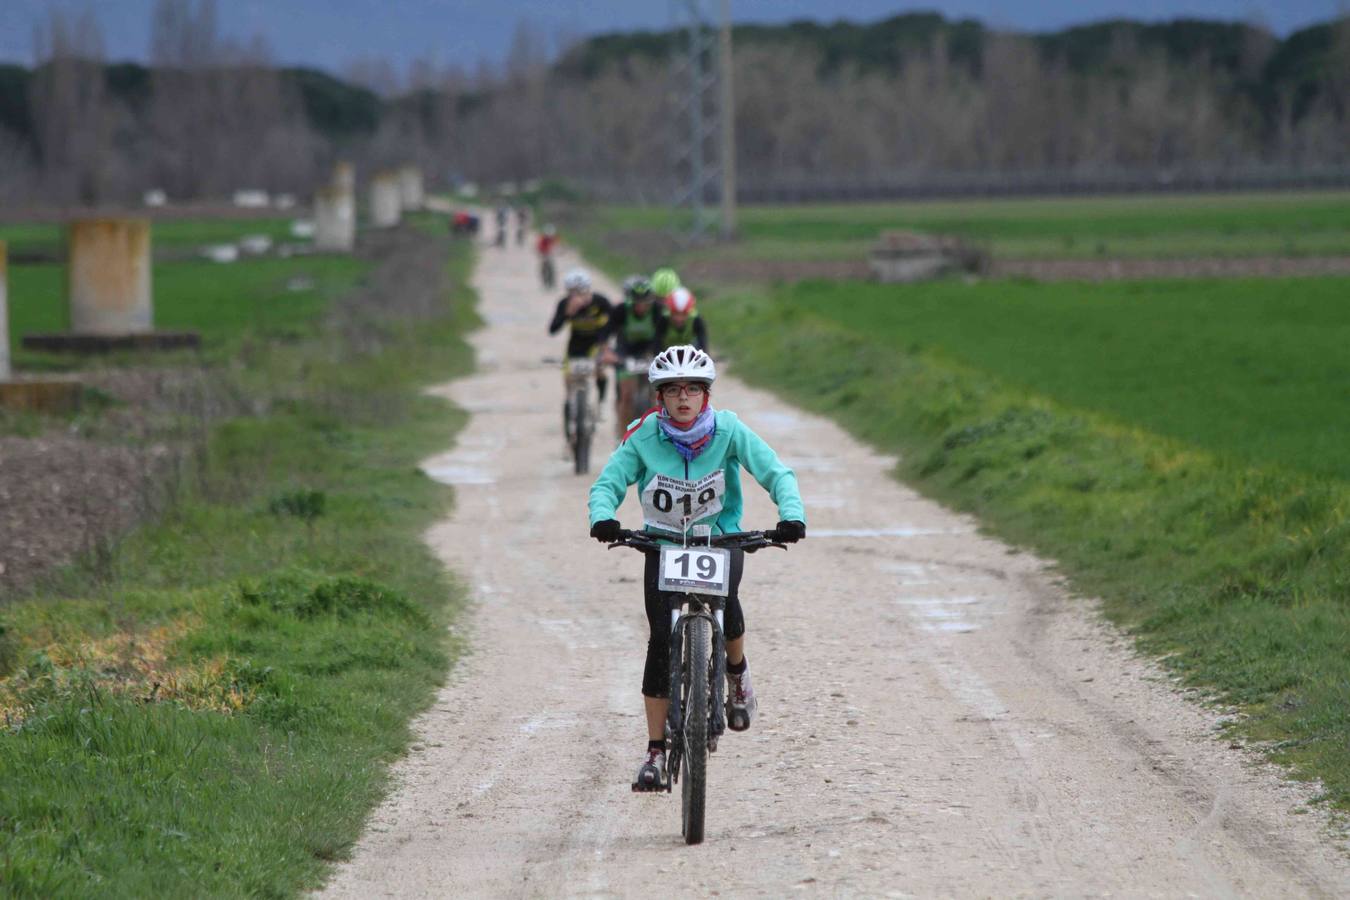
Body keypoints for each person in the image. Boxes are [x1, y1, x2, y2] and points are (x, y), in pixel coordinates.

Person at [587, 345, 807, 789]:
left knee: (730, 602)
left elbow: (775, 472)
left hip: (720, 538)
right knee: (660, 643)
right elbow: (608, 481)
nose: (683, 398)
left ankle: (737, 674)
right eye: (672, 390)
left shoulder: (728, 430)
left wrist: (791, 515)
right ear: (659, 398)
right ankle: (653, 752)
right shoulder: (644, 435)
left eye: (692, 389)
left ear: (706, 395)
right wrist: (602, 517)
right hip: (663, 544)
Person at [548, 268, 613, 431]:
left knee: (600, 370)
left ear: (588, 290)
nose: (576, 297)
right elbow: (553, 329)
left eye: (580, 292)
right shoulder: (565, 304)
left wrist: (606, 346)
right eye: (572, 293)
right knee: (569, 380)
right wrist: (568, 313)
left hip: (596, 343)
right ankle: (571, 412)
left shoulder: (600, 302)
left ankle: (601, 402)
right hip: (575, 345)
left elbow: (614, 321)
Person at [603, 276, 666, 439]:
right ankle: (623, 437)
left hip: (650, 354)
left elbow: (665, 334)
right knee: (627, 395)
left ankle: (659, 432)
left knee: (658, 395)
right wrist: (607, 352)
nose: (641, 306)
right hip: (625, 355)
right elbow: (605, 333)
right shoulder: (621, 310)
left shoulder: (658, 311)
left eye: (644, 302)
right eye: (636, 302)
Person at [655, 286, 708, 351]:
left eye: (683, 314)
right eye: (675, 313)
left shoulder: (696, 320)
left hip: (691, 357)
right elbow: (657, 345)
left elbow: (703, 346)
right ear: (670, 311)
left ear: (688, 312)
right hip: (667, 357)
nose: (679, 318)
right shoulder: (664, 320)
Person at [537, 225, 559, 289]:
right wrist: (542, 254)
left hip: (551, 254)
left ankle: (552, 282)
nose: (549, 237)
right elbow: (539, 247)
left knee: (552, 268)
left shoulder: (555, 238)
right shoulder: (543, 239)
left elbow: (558, 245)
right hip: (544, 254)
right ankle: (544, 281)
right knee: (543, 267)